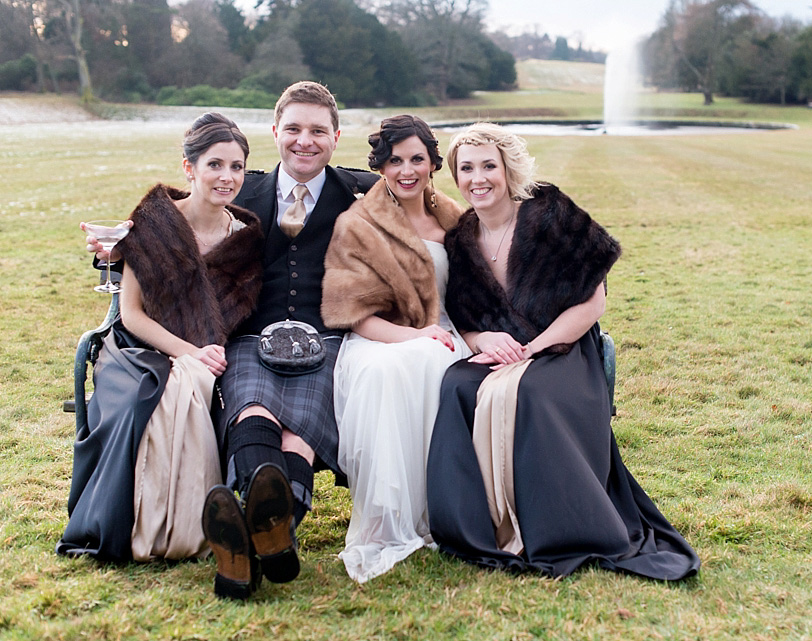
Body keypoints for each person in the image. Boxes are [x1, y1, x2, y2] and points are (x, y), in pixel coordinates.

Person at [426, 123, 700, 580]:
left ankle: (554, 529)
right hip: (503, 352)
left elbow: (594, 301)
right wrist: (481, 341)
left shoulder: (548, 211)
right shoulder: (460, 239)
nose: (479, 178)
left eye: (488, 166)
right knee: (456, 384)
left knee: (531, 393)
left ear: (507, 168)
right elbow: (466, 320)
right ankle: (472, 529)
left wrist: (533, 347)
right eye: (467, 168)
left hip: (564, 349)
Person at [199, 81, 379, 600]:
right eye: (294, 129)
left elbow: (433, 207)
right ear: (276, 131)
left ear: (335, 136)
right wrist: (121, 239)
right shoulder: (243, 190)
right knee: (254, 414)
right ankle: (272, 540)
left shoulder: (363, 190)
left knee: (300, 432)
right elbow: (180, 214)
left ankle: (245, 549)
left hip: (330, 339)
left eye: (318, 131)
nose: (305, 141)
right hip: (252, 337)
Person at [58, 113, 263, 562]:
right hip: (139, 348)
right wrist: (191, 353)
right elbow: (130, 315)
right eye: (214, 165)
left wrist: (204, 356)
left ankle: (194, 527)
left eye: (236, 167)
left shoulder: (247, 237)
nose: (226, 177)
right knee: (168, 390)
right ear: (189, 168)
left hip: (213, 351)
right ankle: (144, 531)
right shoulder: (155, 222)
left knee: (200, 382)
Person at [320, 115, 469, 582]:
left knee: (438, 360)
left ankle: (448, 511)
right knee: (397, 369)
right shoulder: (358, 222)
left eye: (417, 159)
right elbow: (354, 312)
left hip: (451, 334)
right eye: (394, 160)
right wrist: (414, 336)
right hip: (380, 336)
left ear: (432, 163)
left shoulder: (454, 217)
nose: (406, 170)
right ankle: (389, 518)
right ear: (380, 165)